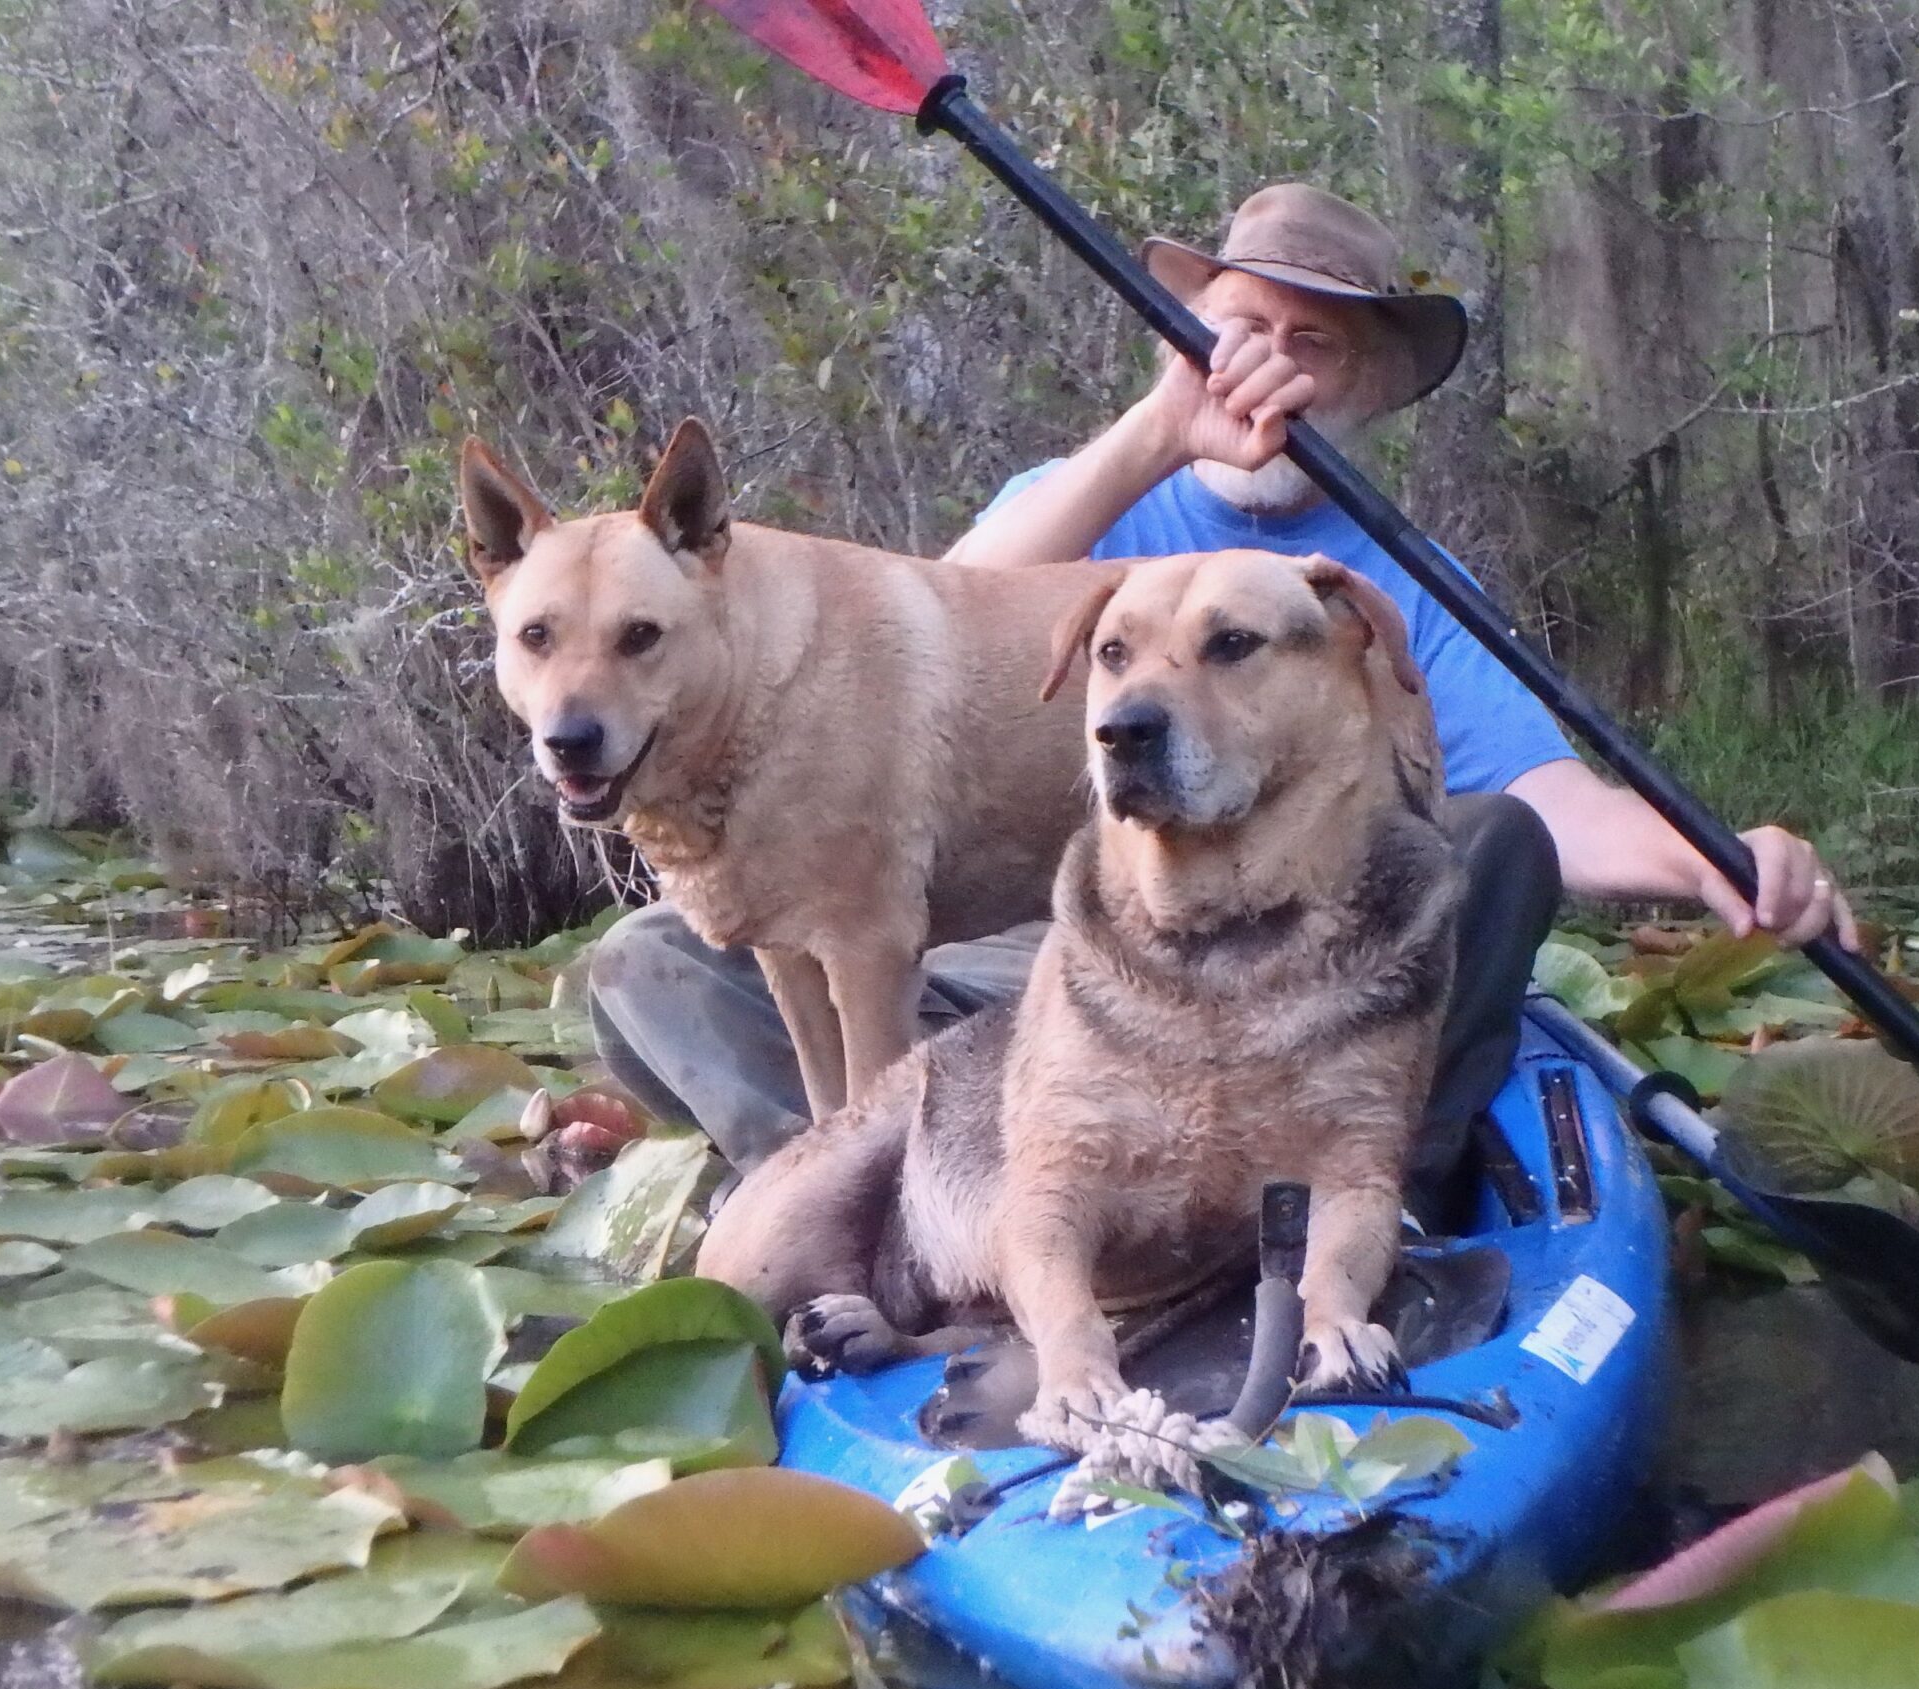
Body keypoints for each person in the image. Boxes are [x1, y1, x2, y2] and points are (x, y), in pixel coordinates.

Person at [589, 183, 1855, 1227]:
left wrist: (1714, 861)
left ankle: (1356, 1208)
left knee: (1491, 850)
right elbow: (941, 628)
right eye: (1240, 329)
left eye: (1312, 347)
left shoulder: (1389, 577)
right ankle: (853, 1204)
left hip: (1281, 981)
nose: (1266, 370)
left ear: (1358, 389)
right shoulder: (1085, 492)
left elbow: (1546, 800)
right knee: (654, 964)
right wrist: (1161, 430)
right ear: (1180, 336)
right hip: (1052, 971)